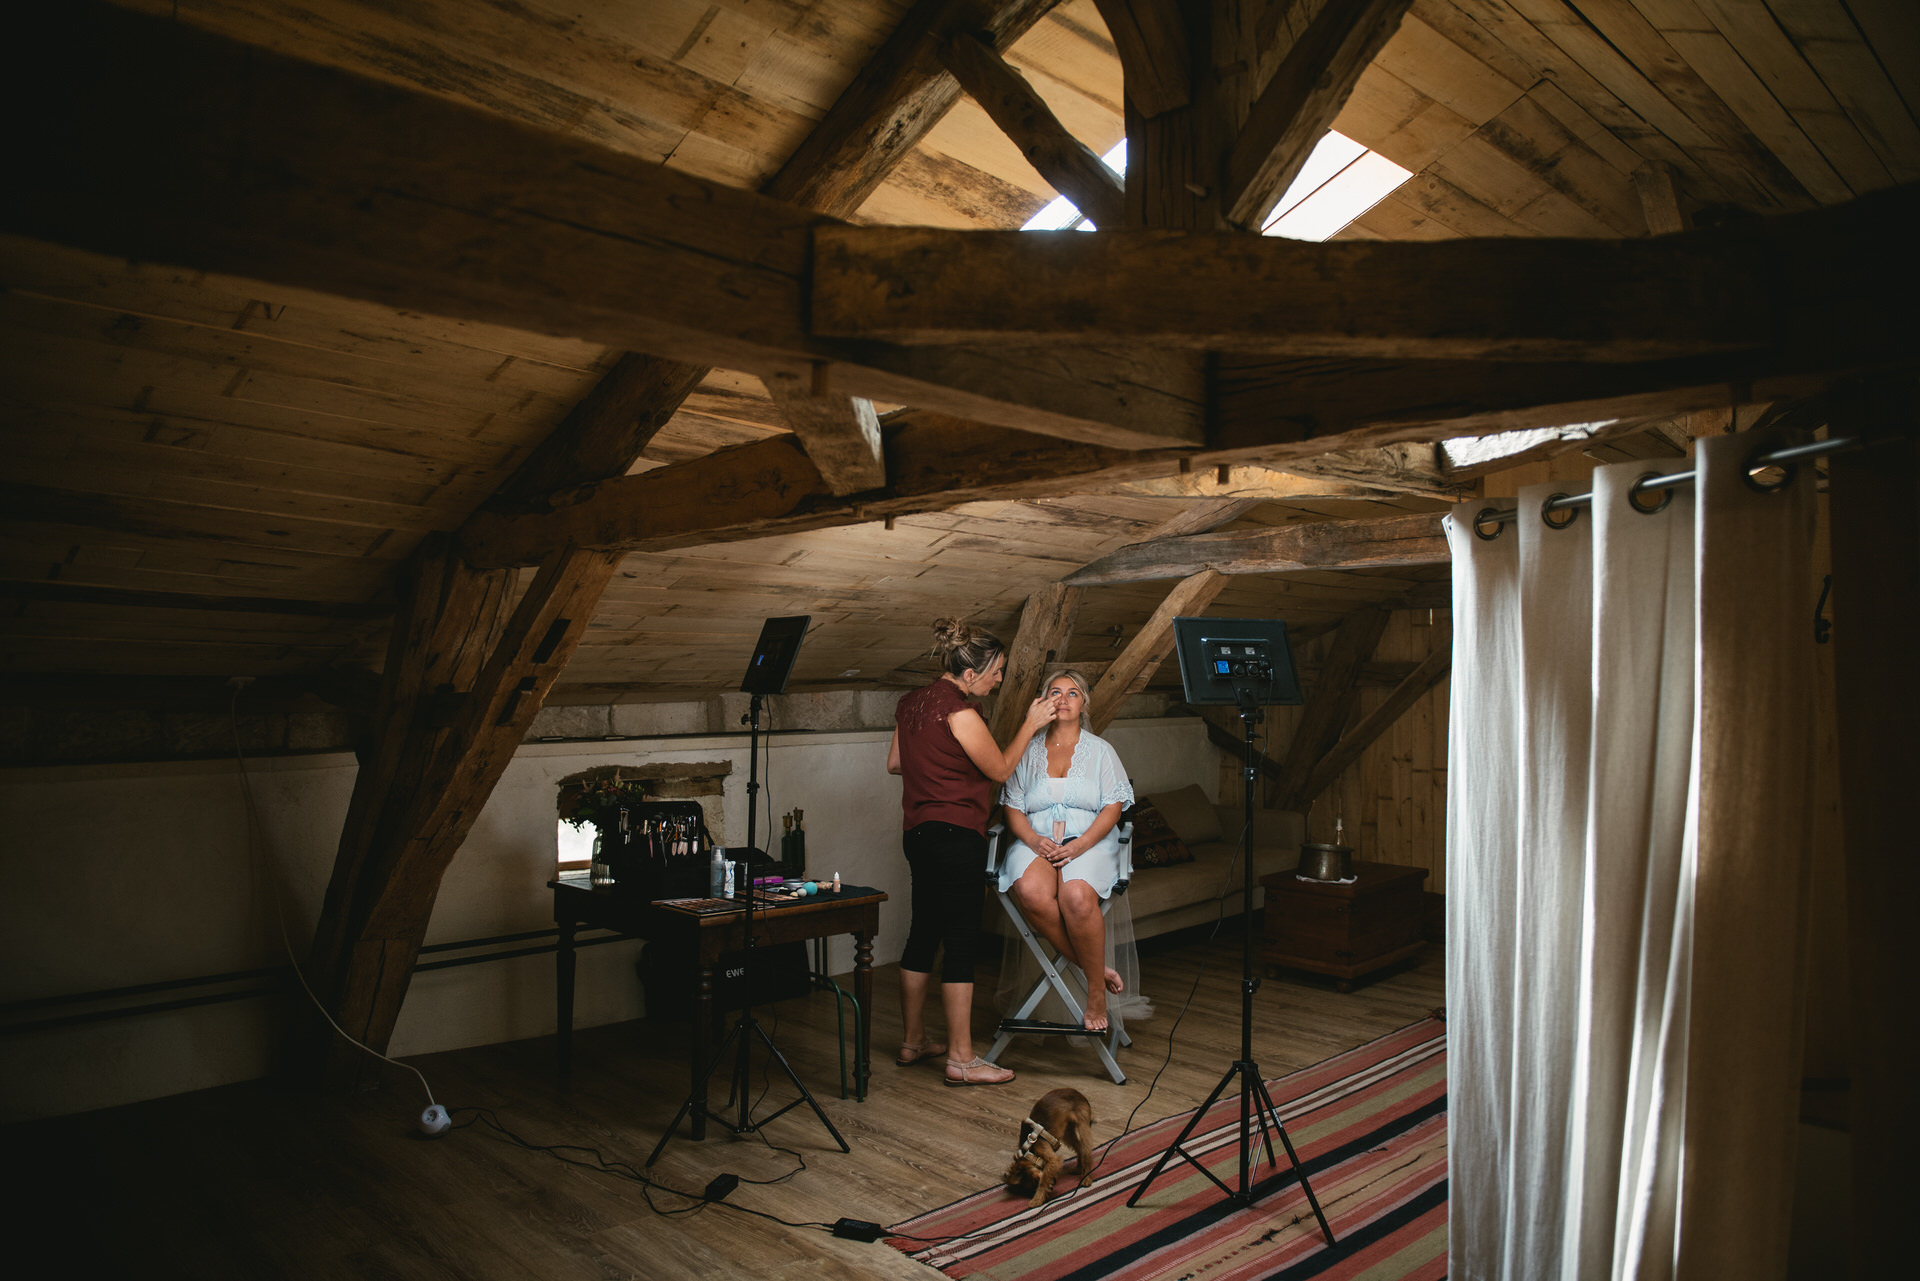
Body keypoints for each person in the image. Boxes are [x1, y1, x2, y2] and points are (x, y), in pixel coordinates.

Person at [887, 617, 1055, 1087]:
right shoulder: (961, 711)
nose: (999, 679)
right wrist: (1029, 723)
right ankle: (962, 1059)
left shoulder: (909, 703)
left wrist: (935, 766)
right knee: (961, 938)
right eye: (996, 671)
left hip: (917, 833)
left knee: (923, 930)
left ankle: (913, 1040)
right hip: (956, 833)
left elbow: (896, 763)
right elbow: (1000, 769)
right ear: (968, 674)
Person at [996, 669, 1135, 1032]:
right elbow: (1012, 805)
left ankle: (1095, 994)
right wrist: (1030, 839)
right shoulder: (1027, 750)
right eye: (1055, 692)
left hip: (1089, 840)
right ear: (1044, 700)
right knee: (1029, 891)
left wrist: (1081, 845)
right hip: (1037, 838)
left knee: (1075, 895)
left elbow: (1113, 807)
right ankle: (1096, 969)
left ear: (1084, 703)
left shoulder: (1102, 751)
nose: (1063, 699)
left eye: (1072, 693)